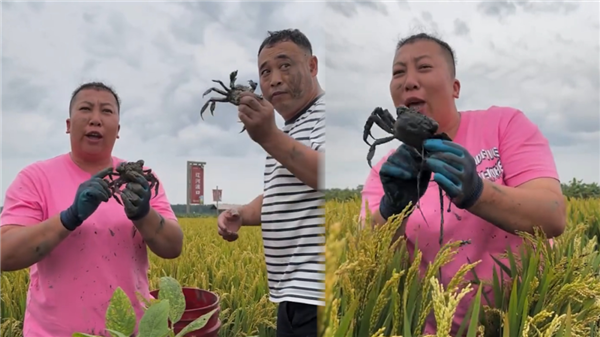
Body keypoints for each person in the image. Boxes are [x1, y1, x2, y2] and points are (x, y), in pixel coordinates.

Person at [360, 33, 567, 335]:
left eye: (424, 67)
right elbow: (365, 256)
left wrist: (478, 193)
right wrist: (391, 209)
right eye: (398, 72)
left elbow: (553, 215)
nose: (409, 81)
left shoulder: (503, 125)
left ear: (455, 88)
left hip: (522, 320)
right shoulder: (387, 171)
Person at [0, 82, 183, 337]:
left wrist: (143, 214)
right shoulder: (35, 178)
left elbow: (173, 247)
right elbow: (5, 253)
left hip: (130, 331)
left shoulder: (141, 179)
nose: (95, 119)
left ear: (117, 130)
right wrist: (69, 217)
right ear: (68, 124)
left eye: (106, 111)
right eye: (86, 109)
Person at [216, 29, 325, 337]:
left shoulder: (326, 116)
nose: (274, 78)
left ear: (312, 66)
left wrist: (268, 136)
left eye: (285, 65)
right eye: (265, 71)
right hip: (289, 293)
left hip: (319, 294)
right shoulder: (289, 129)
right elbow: (280, 193)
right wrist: (241, 213)